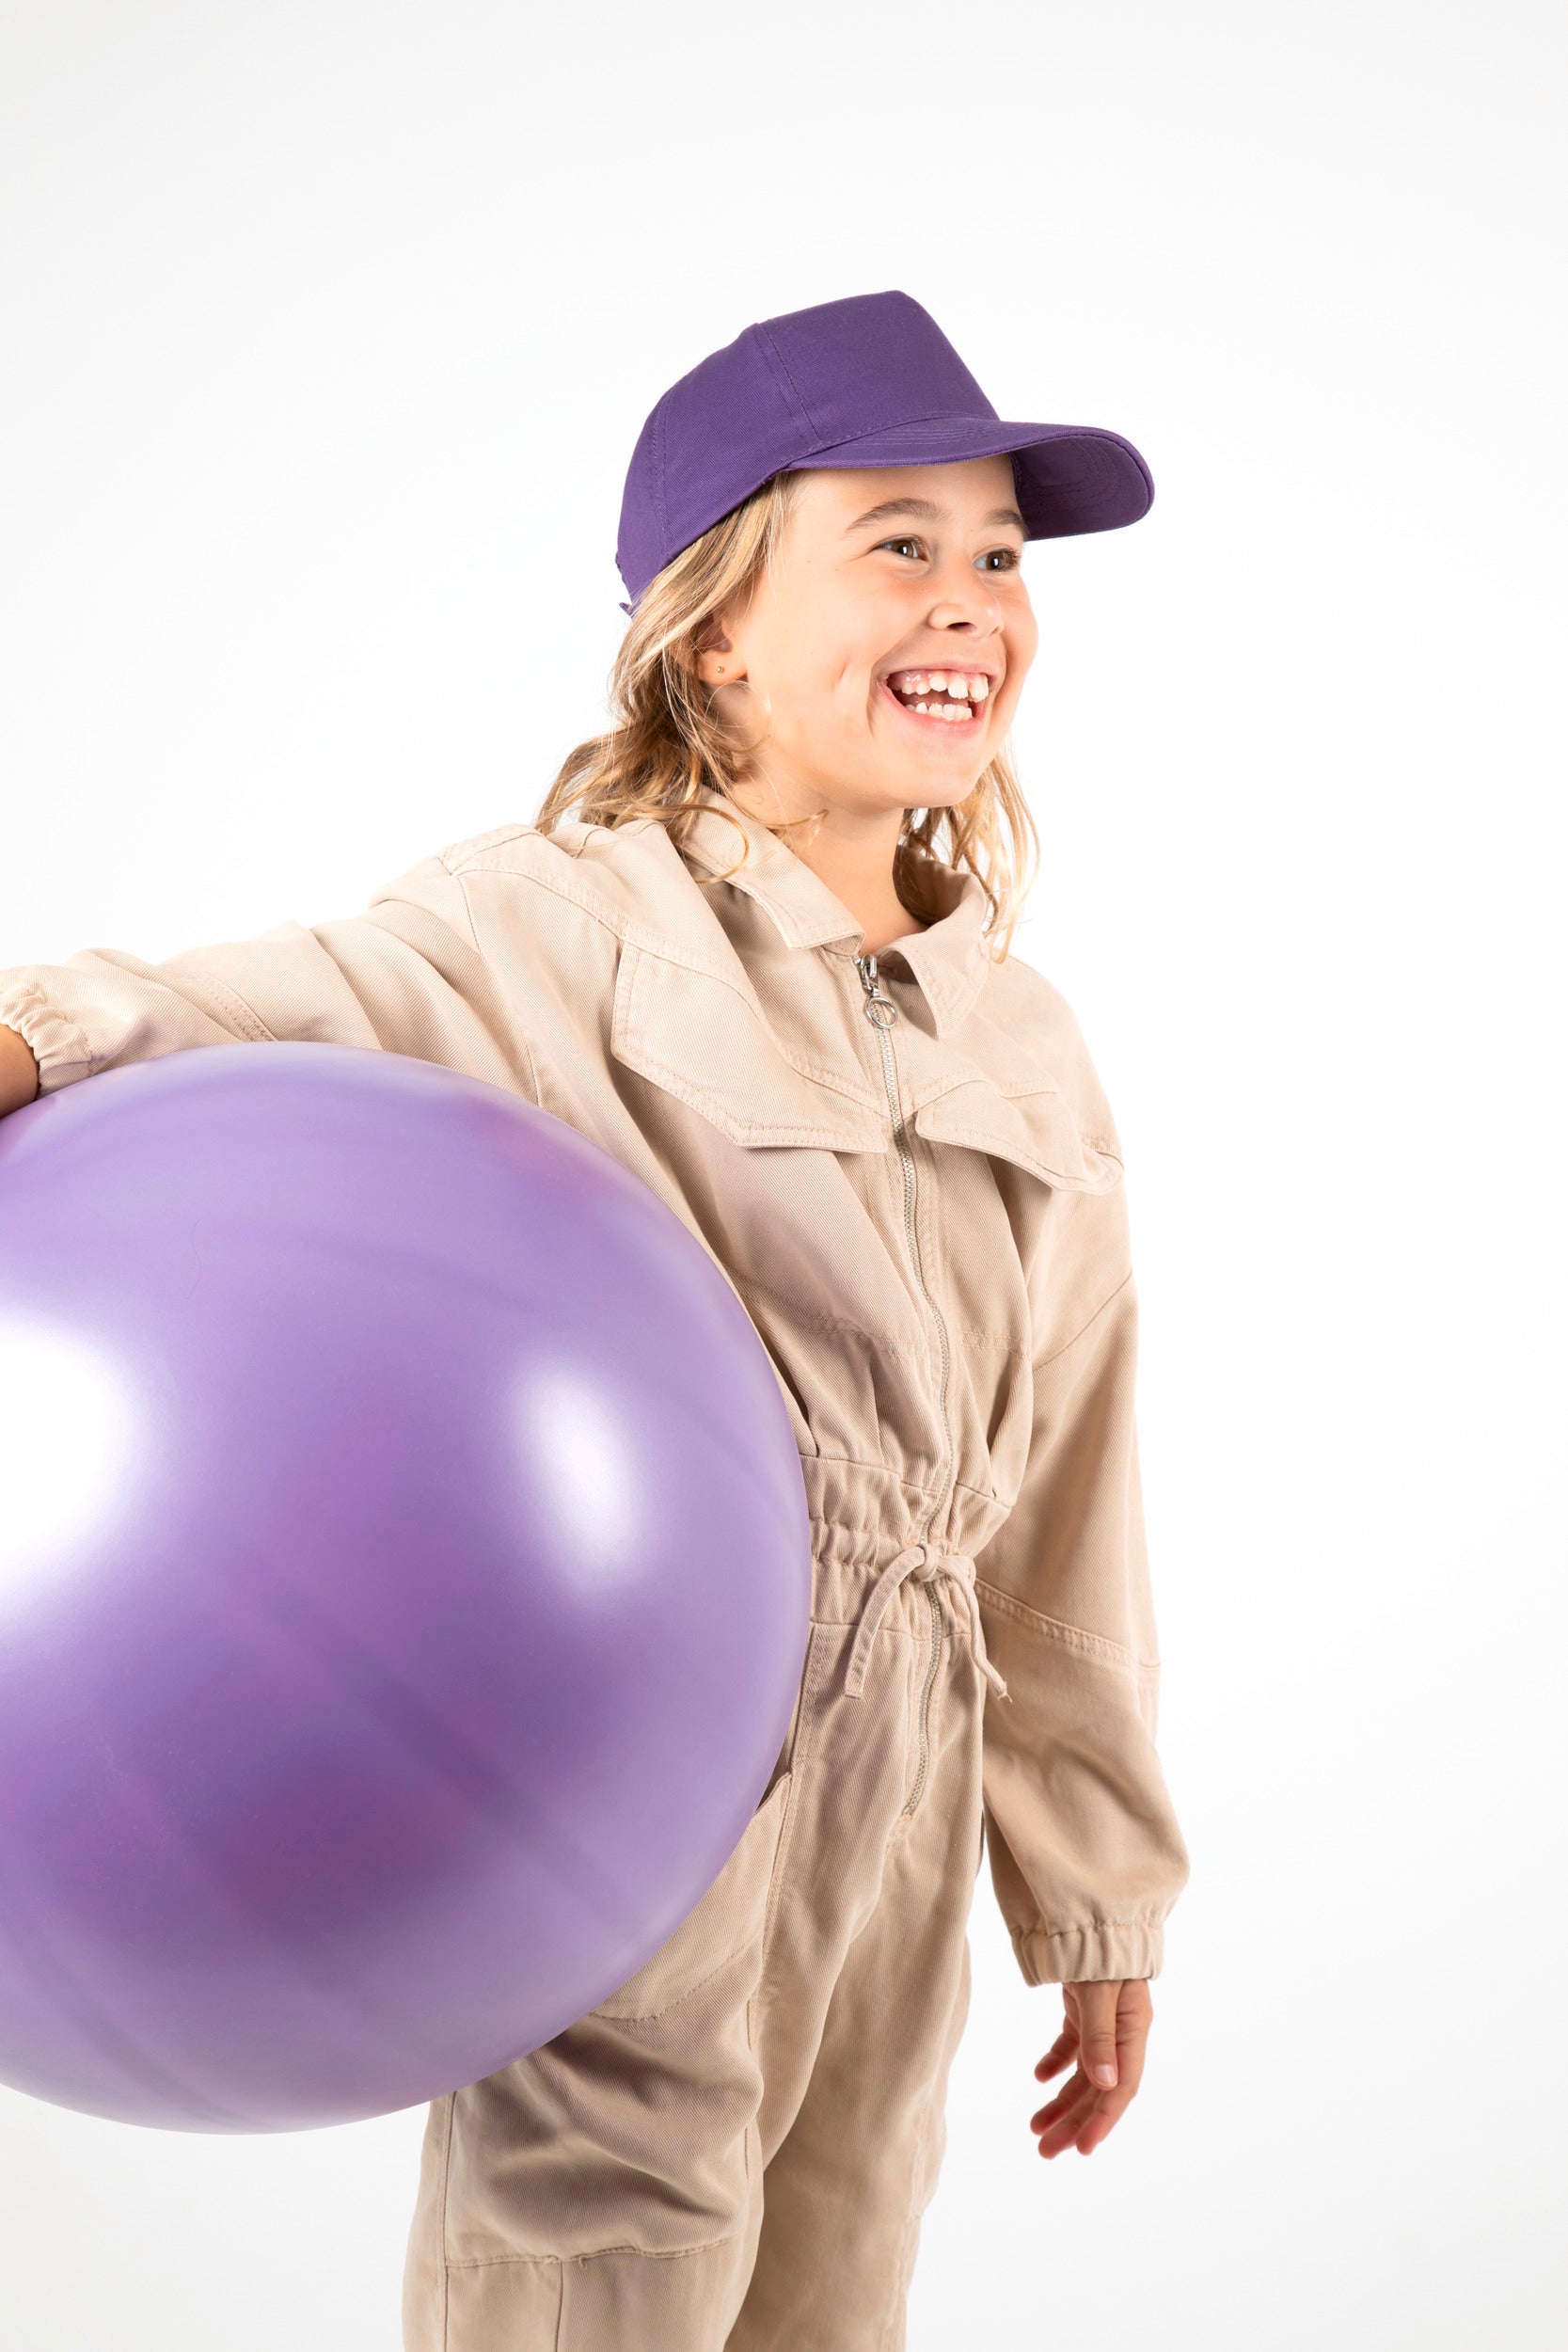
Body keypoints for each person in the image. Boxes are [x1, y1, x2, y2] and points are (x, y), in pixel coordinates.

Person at [0, 289, 1190, 2349]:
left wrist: (1095, 1893)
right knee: (597, 2265)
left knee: (835, 2277)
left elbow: (1065, 1494)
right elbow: (226, 1008)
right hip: (637, 1745)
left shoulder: (1027, 1040)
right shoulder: (555, 926)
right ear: (713, 627)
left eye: (1000, 555)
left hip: (902, 1785)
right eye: (897, 542)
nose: (972, 601)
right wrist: (29, 1045)